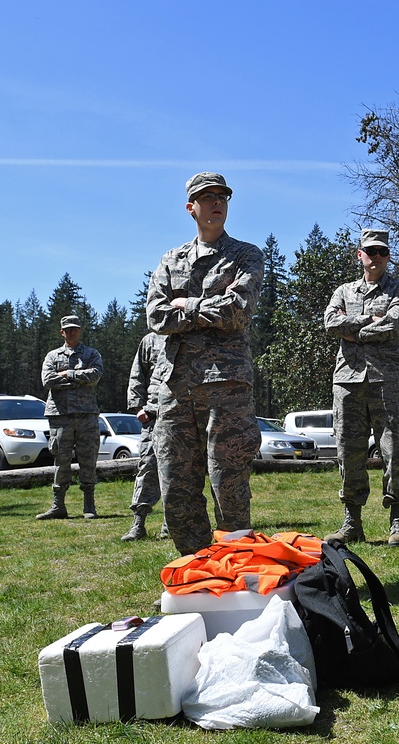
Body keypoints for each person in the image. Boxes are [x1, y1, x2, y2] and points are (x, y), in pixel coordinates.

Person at [147, 172, 264, 556]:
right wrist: (204, 309)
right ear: (190, 207)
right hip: (175, 387)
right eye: (207, 197)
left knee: (228, 485)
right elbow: (156, 317)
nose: (217, 202)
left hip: (225, 386)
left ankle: (237, 578)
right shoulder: (170, 260)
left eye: (222, 197)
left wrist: (186, 304)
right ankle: (196, 575)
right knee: (176, 491)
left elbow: (237, 311)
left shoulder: (245, 256)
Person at [323, 228, 399, 546]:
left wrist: (353, 326)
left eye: (381, 252)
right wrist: (369, 320)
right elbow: (330, 323)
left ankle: (398, 523)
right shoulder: (343, 291)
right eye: (370, 251)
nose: (375, 257)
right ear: (359, 254)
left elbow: (395, 324)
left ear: (387, 256)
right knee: (349, 454)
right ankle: (352, 522)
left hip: (388, 382)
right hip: (347, 383)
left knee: (394, 452)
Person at [36, 315, 104, 520]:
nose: (72, 332)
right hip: (60, 415)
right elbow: (48, 380)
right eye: (68, 329)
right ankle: (58, 506)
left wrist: (68, 375)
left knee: (88, 460)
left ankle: (89, 506)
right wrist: (79, 377)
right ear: (62, 332)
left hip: (86, 415)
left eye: (75, 328)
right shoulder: (52, 356)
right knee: (61, 460)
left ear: (80, 331)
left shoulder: (91, 354)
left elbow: (95, 376)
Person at [121, 330, 168, 541]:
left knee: (181, 472)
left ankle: (171, 525)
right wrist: (138, 407)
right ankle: (138, 524)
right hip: (154, 416)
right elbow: (137, 374)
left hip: (184, 414)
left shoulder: (192, 335)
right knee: (147, 466)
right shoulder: (150, 340)